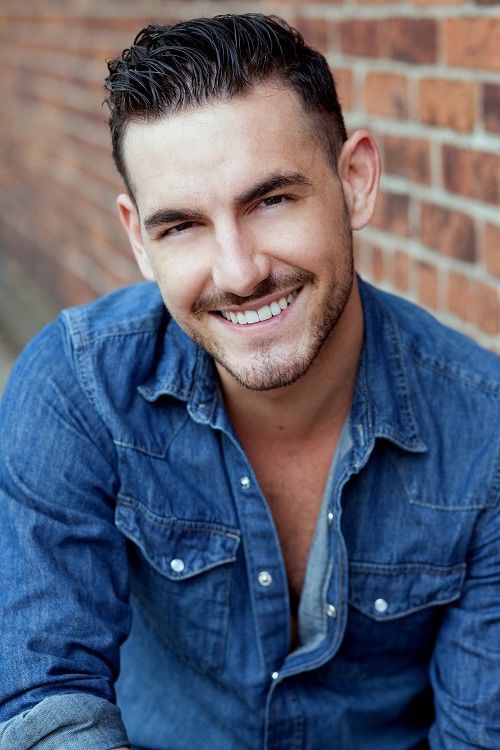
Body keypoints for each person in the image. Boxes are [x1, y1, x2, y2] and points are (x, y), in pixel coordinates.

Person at [0, 13, 498, 750]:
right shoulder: (78, 389)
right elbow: (45, 702)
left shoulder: (484, 430)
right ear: (139, 238)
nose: (239, 273)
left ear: (355, 182)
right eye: (181, 227)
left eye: (271, 200)